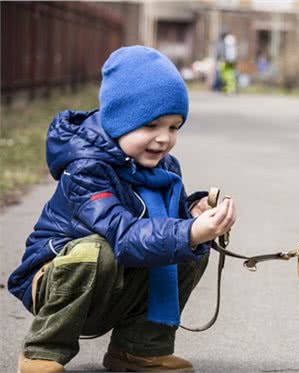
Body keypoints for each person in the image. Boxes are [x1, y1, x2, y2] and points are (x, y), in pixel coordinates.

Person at [8, 45, 236, 373]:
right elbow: (123, 233)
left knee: (190, 246)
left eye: (173, 127)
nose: (164, 139)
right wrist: (186, 231)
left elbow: (162, 229)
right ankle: (42, 352)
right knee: (97, 251)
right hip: (57, 284)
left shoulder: (166, 166)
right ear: (118, 120)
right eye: (152, 125)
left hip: (114, 280)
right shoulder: (86, 168)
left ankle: (139, 349)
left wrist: (194, 216)